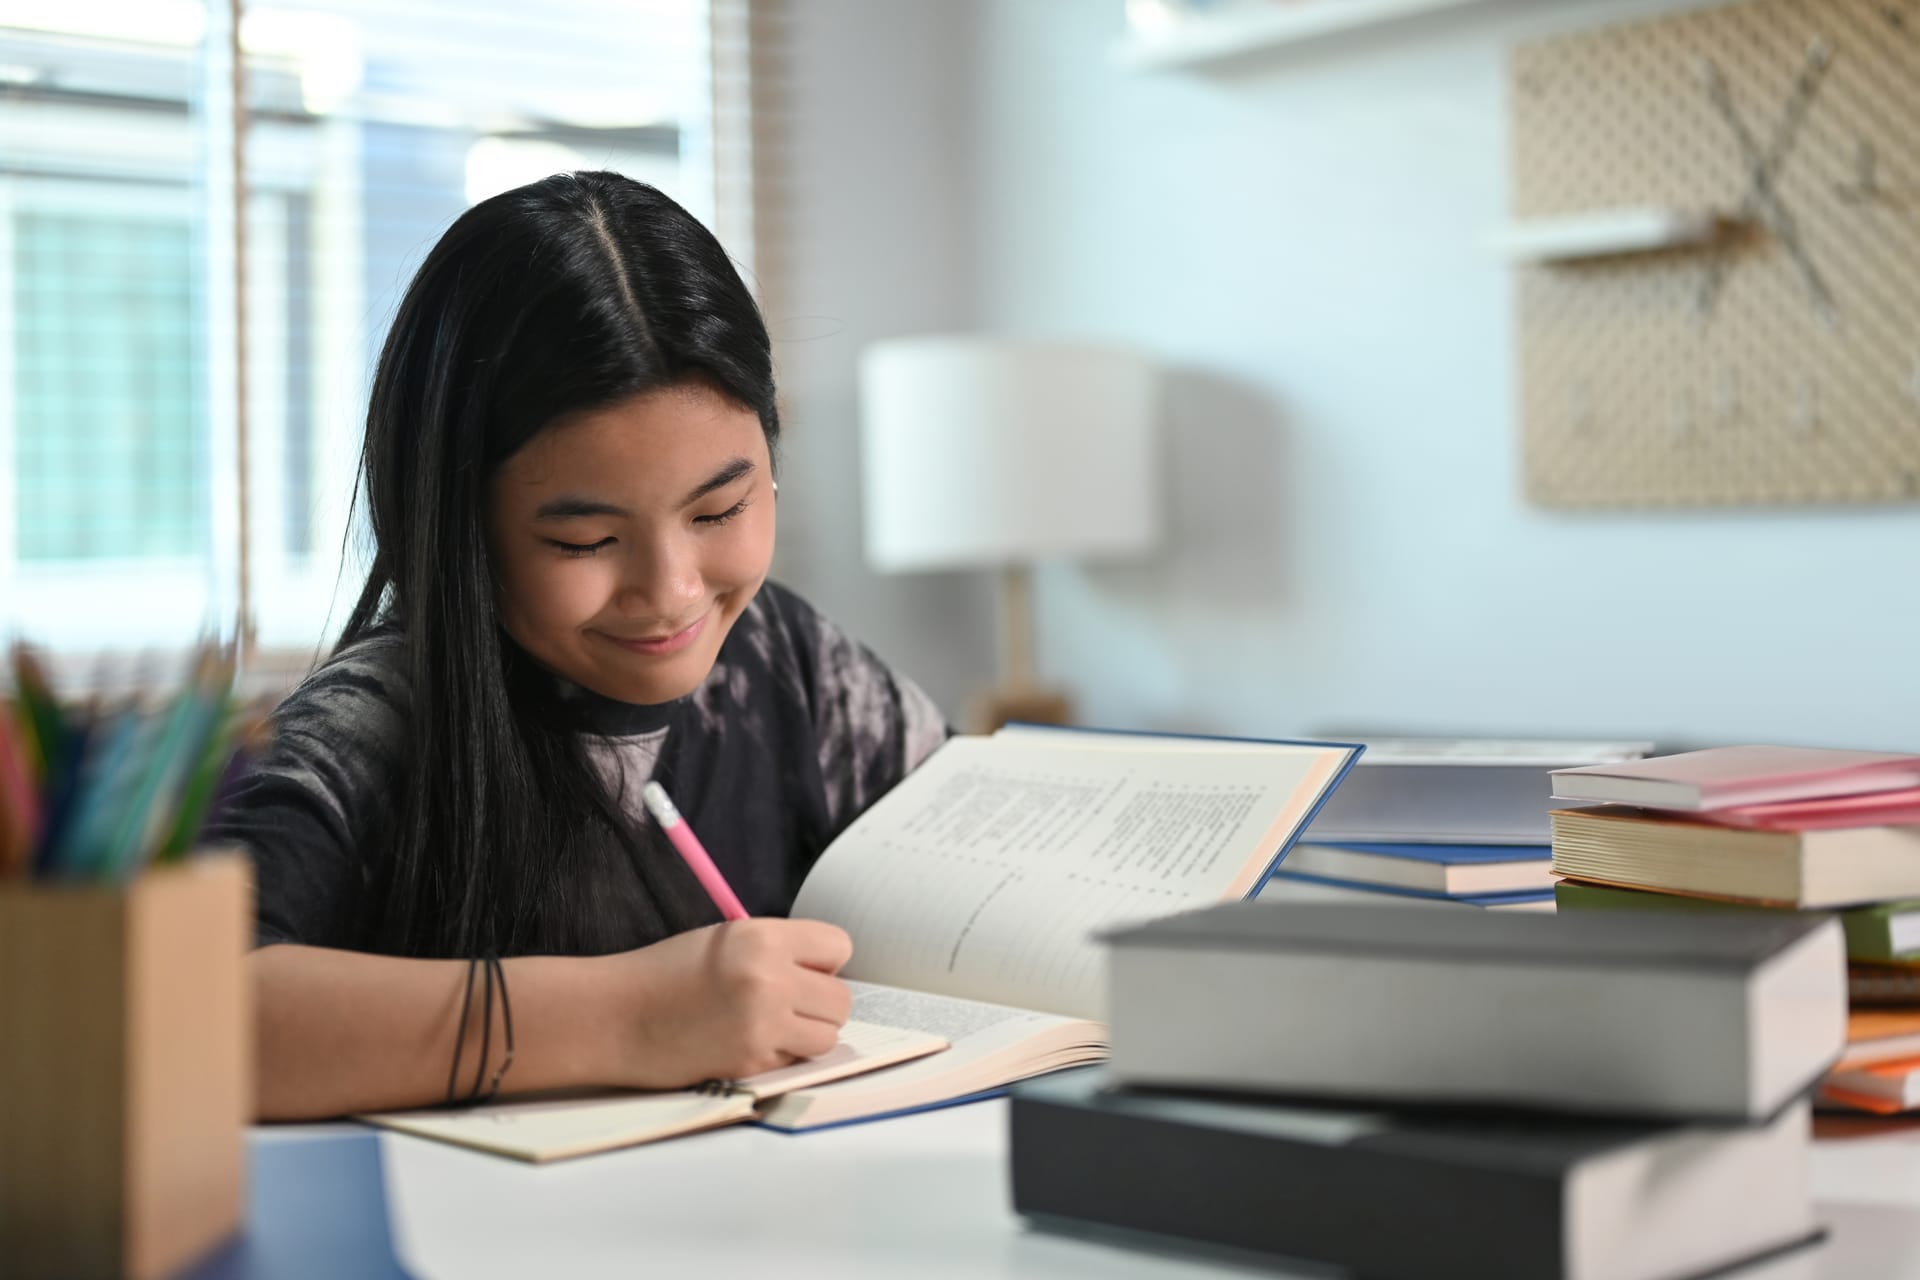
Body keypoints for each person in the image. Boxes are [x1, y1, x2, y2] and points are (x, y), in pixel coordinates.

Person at [214, 171, 949, 1120]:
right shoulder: (375, 727)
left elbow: (964, 854)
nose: (672, 590)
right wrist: (630, 1017)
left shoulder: (793, 664)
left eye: (720, 508)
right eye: (586, 541)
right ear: (460, 526)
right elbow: (185, 1016)